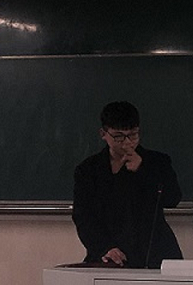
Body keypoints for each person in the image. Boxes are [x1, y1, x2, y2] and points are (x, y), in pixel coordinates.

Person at [73, 101, 183, 268]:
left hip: (153, 254)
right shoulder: (88, 170)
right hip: (109, 256)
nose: (127, 142)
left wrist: (143, 169)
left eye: (133, 135)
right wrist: (105, 247)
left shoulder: (157, 162)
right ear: (103, 134)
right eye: (118, 136)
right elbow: (83, 216)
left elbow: (172, 198)